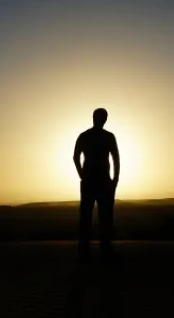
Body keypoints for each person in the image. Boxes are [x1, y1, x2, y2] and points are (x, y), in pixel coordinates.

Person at [73, 107, 120, 258]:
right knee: (101, 215)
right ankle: (100, 247)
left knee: (89, 215)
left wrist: (82, 175)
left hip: (94, 181)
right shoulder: (107, 137)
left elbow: (75, 157)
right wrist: (114, 180)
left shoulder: (85, 136)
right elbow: (116, 159)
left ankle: (87, 247)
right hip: (100, 181)